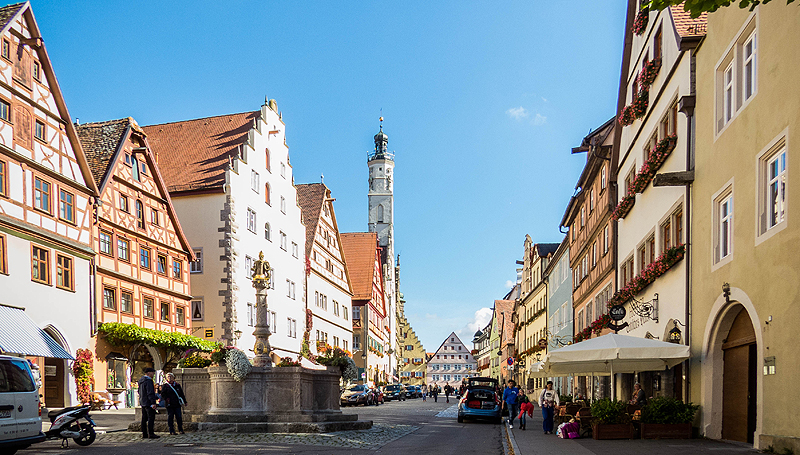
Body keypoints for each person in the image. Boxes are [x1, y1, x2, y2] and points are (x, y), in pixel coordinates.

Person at [138, 367, 159, 439]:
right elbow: (150, 392)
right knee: (151, 418)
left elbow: (139, 392)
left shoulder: (141, 381)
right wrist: (153, 403)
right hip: (148, 402)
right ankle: (151, 433)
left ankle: (144, 433)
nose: (153, 374)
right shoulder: (148, 381)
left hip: (143, 402)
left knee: (144, 418)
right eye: (152, 373)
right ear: (148, 373)